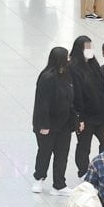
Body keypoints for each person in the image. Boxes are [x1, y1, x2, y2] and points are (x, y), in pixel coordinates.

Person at [31, 47, 77, 196]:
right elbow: (42, 103)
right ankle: (39, 178)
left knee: (62, 154)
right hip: (48, 125)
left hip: (64, 124)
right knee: (45, 152)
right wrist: (43, 125)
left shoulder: (67, 75)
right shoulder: (47, 77)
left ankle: (59, 184)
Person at [69, 35, 104, 177]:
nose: (89, 51)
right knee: (84, 146)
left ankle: (103, 169)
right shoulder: (73, 68)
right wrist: (79, 117)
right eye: (87, 48)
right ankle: (83, 171)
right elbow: (76, 94)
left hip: (100, 114)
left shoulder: (93, 64)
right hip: (85, 116)